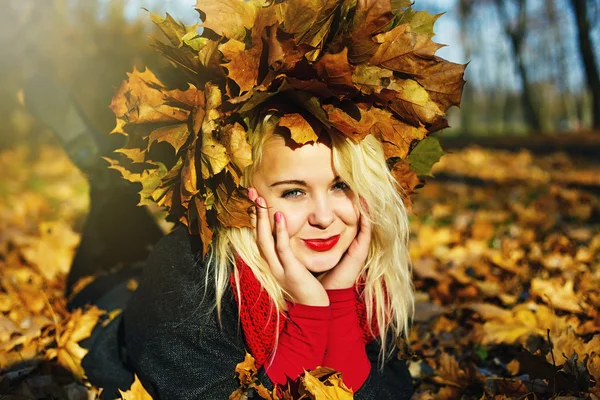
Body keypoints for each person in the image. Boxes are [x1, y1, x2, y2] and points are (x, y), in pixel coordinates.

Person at [82, 108, 415, 399]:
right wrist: (311, 317)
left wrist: (338, 304)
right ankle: (93, 161)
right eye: (294, 192)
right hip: (104, 301)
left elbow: (389, 391)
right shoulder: (188, 268)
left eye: (341, 186)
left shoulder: (368, 273)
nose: (324, 218)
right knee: (113, 211)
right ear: (244, 195)